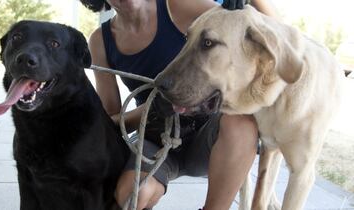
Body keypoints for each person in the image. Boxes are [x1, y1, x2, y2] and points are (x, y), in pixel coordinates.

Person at [81, 0, 278, 209]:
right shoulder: (100, 41)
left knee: (242, 121)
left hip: (208, 134)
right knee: (132, 196)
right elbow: (110, 125)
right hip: (156, 139)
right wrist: (151, 109)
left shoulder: (178, 5)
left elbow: (273, 33)